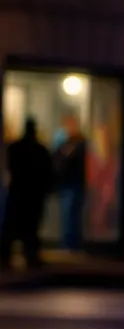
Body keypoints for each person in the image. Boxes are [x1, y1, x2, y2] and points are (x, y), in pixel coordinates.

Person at [1, 118, 55, 269]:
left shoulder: (15, 148)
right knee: (30, 228)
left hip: (19, 193)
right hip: (32, 195)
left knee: (12, 228)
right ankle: (30, 258)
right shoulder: (40, 150)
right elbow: (48, 172)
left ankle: (7, 258)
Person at [54, 113, 88, 251]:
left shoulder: (78, 144)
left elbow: (65, 161)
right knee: (70, 216)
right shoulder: (66, 143)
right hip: (69, 184)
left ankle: (70, 244)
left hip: (73, 184)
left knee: (71, 216)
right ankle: (70, 243)